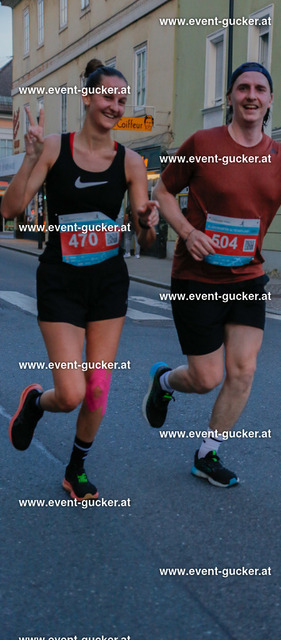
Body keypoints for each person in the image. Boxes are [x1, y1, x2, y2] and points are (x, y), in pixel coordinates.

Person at [142, 61, 281, 487]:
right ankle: (164, 380)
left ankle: (207, 454)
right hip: (196, 278)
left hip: (247, 278)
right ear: (230, 98)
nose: (251, 95)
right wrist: (187, 231)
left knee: (243, 371)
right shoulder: (203, 143)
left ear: (270, 100)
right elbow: (162, 191)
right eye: (242, 88)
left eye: (259, 89)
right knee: (206, 378)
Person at [1, 59, 158, 500]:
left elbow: (146, 240)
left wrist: (148, 223)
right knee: (70, 393)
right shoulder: (54, 148)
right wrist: (31, 157)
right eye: (108, 96)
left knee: (97, 389)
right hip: (61, 283)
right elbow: (10, 209)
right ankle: (37, 402)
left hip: (108, 284)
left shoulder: (131, 162)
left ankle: (76, 468)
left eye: (122, 100)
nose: (115, 106)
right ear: (88, 97)